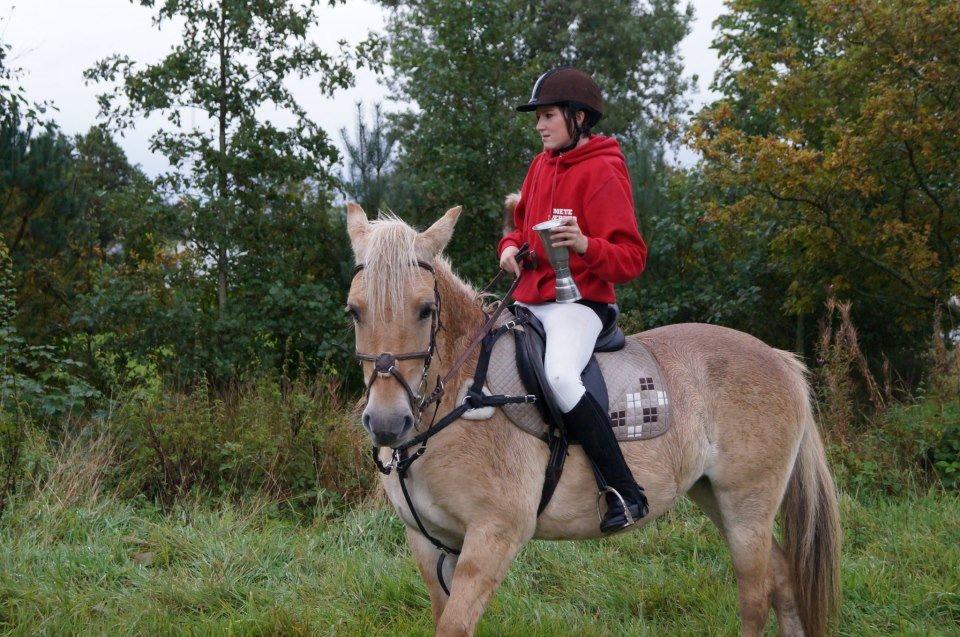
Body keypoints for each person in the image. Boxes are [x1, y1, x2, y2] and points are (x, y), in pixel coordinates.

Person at [498, 66, 649, 533]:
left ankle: (625, 492)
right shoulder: (541, 164)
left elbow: (632, 259)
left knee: (561, 376)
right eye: (538, 117)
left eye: (547, 116)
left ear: (579, 117)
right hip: (529, 298)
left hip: (582, 305)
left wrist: (585, 245)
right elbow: (521, 229)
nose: (539, 126)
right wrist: (509, 249)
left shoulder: (604, 169)